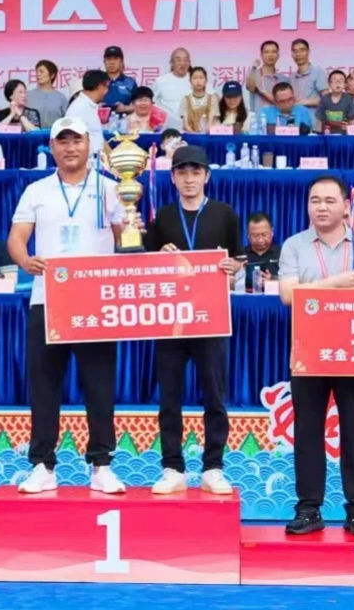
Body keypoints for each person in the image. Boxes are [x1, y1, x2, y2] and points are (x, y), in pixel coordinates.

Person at [7, 116, 130, 495]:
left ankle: (102, 465)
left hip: (96, 301)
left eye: (76, 140)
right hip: (48, 300)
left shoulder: (111, 188)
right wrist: (25, 260)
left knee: (99, 386)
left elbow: (126, 239)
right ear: (52, 147)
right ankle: (43, 465)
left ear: (89, 145)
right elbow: (16, 238)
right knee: (44, 386)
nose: (70, 147)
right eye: (63, 141)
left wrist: (130, 230)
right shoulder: (37, 190)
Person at [278, 175, 354, 536]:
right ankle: (309, 508)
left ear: (346, 206)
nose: (321, 207)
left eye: (329, 200)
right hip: (308, 350)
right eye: (315, 200)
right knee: (308, 430)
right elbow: (288, 295)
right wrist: (336, 284)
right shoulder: (294, 245)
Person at [143, 144, 240, 495]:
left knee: (215, 395)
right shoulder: (162, 218)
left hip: (211, 318)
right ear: (172, 177)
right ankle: (172, 467)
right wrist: (159, 256)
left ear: (207, 176)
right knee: (169, 396)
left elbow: (237, 263)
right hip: (171, 320)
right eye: (182, 172)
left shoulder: (225, 214)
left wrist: (233, 267)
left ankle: (213, 467)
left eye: (195, 172)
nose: (189, 179)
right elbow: (147, 269)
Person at [65, 69, 109, 151]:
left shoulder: (90, 106)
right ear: (100, 87)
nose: (107, 91)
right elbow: (72, 142)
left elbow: (96, 136)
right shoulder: (77, 108)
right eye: (107, 87)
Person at [152, 47, 193, 131]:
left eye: (186, 60)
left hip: (192, 128)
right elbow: (151, 104)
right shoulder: (161, 81)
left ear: (189, 63)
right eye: (178, 60)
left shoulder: (196, 80)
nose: (182, 63)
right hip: (168, 129)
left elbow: (213, 99)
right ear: (171, 63)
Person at [246, 40, 289, 112]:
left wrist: (262, 92)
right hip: (258, 117)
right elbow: (251, 88)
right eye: (266, 52)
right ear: (261, 55)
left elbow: (286, 104)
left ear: (278, 55)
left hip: (278, 118)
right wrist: (254, 68)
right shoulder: (254, 74)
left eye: (274, 52)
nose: (270, 55)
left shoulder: (284, 79)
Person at [289, 38, 326, 112]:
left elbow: (328, 100)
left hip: (313, 118)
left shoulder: (317, 72)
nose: (298, 54)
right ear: (292, 55)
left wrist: (305, 102)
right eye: (295, 51)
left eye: (302, 50)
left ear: (308, 52)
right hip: (296, 118)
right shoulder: (291, 77)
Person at [180, 67, 219, 133]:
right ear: (190, 81)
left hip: (208, 135)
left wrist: (204, 135)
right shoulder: (185, 100)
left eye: (201, 78)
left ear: (206, 81)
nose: (198, 81)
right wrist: (194, 134)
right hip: (191, 135)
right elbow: (185, 124)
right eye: (195, 78)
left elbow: (211, 122)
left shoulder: (212, 99)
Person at [29, 60, 68, 127]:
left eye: (41, 71)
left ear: (52, 75)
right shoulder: (28, 95)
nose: (38, 74)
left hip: (54, 133)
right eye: (37, 72)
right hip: (32, 133)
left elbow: (66, 120)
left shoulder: (61, 97)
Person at [245, 211, 280, 283]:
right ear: (248, 235)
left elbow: (290, 279)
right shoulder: (240, 255)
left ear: (272, 232)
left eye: (264, 234)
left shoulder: (283, 253)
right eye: (255, 236)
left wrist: (273, 280)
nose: (260, 240)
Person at [102, 46, 137, 113]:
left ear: (121, 62)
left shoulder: (130, 82)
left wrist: (125, 108)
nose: (112, 62)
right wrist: (96, 106)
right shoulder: (97, 80)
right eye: (109, 59)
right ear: (104, 62)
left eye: (115, 59)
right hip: (97, 118)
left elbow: (139, 105)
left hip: (123, 118)